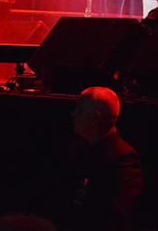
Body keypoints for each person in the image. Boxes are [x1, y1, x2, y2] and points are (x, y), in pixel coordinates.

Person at [52, 87, 144, 231]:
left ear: (95, 118)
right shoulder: (79, 148)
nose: (73, 114)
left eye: (79, 109)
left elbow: (116, 214)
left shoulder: (124, 158)